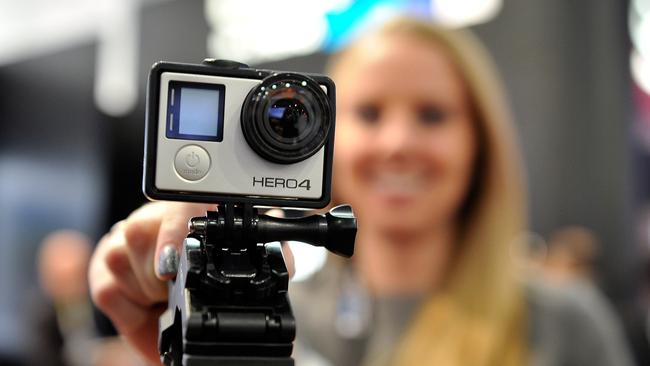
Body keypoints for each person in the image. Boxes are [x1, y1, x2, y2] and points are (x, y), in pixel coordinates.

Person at [89, 17, 634, 366]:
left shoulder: (564, 325)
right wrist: (170, 297)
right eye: (369, 114)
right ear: (324, 140)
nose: (398, 142)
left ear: (480, 144)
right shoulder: (273, 310)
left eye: (432, 114)